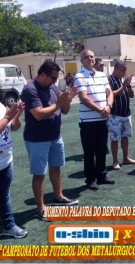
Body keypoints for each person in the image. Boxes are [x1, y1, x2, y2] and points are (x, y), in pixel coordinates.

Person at [21, 61, 79, 222]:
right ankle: (41, 209)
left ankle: (58, 197)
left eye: (56, 79)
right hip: (37, 139)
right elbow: (38, 114)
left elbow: (65, 111)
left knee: (56, 167)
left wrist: (67, 100)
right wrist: (58, 103)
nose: (55, 82)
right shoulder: (30, 89)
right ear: (42, 74)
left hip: (55, 136)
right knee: (39, 173)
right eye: (53, 78)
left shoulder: (52, 87)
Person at [74, 49, 115, 190]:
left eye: (92, 56)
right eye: (87, 57)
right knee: (89, 152)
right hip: (88, 122)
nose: (90, 59)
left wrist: (108, 106)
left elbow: (110, 93)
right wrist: (102, 111)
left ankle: (102, 175)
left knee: (102, 149)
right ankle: (91, 179)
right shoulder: (79, 76)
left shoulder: (102, 75)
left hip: (102, 119)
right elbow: (84, 98)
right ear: (82, 61)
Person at [0, 102, 27, 238]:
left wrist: (16, 115)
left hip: (6, 160)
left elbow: (14, 127)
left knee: (4, 196)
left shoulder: (1, 105)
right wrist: (6, 117)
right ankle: (9, 225)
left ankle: (8, 226)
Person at [107, 60, 135, 170]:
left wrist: (128, 86)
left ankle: (126, 158)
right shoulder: (109, 80)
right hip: (115, 114)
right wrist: (123, 86)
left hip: (126, 114)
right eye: (123, 70)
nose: (125, 72)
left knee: (125, 137)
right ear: (116, 69)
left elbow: (132, 95)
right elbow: (111, 95)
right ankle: (115, 160)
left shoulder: (123, 80)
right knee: (115, 138)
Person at [94, 58, 110, 154]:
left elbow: (109, 92)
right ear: (95, 66)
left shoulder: (105, 77)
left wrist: (108, 106)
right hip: (94, 109)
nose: (102, 67)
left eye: (103, 65)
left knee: (105, 129)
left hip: (105, 108)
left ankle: (104, 146)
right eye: (101, 65)